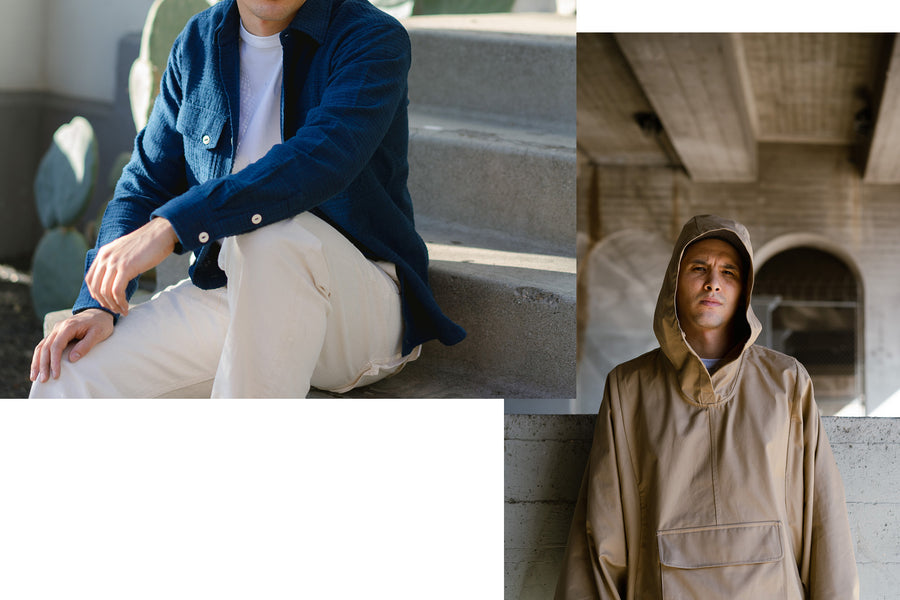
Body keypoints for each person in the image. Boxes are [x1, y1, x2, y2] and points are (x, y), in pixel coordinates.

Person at [29, 0, 465, 398]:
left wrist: (172, 226)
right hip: (237, 292)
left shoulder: (371, 38)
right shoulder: (199, 42)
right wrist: (99, 301)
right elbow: (144, 182)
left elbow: (319, 159)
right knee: (70, 376)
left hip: (358, 309)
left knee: (270, 234)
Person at [556, 215, 858, 599]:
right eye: (698, 268)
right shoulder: (628, 388)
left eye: (729, 272)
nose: (713, 282)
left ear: (744, 290)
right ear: (673, 282)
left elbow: (823, 518)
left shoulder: (787, 381)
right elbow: (601, 530)